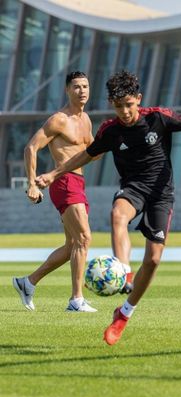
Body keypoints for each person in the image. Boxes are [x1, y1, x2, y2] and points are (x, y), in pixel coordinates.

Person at [35, 70, 181, 344]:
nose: (124, 111)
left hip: (161, 194)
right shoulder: (110, 131)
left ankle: (124, 313)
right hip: (132, 188)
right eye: (118, 105)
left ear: (138, 99)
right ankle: (123, 272)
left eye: (129, 104)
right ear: (112, 103)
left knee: (154, 259)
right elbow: (86, 155)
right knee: (117, 215)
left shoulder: (158, 117)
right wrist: (53, 174)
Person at [13, 71, 97, 313]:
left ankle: (28, 282)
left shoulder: (87, 120)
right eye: (77, 87)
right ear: (67, 90)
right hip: (63, 182)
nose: (82, 91)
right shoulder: (59, 120)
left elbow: (92, 151)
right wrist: (31, 183)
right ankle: (76, 300)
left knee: (72, 245)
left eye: (85, 86)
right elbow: (31, 147)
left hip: (79, 182)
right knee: (84, 238)